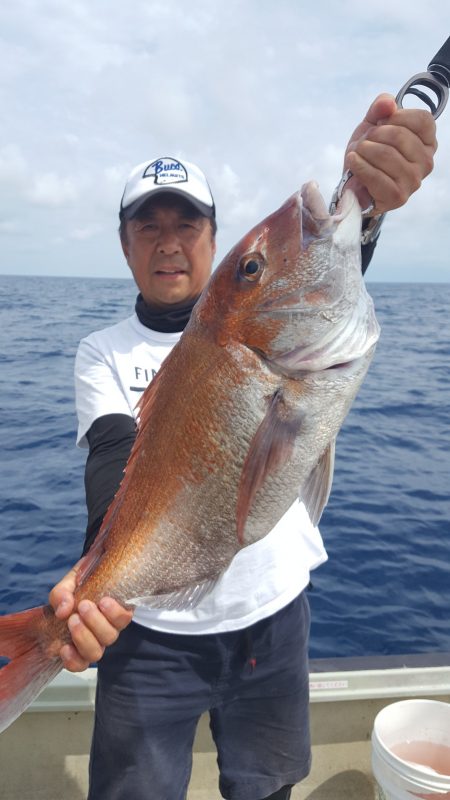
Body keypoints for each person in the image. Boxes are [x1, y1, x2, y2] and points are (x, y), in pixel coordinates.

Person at [49, 94, 437, 800]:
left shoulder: (275, 335)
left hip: (275, 625)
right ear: (125, 242)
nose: (169, 242)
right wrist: (96, 581)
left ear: (211, 236)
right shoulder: (100, 352)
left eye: (187, 225)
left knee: (267, 789)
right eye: (149, 226)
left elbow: (320, 279)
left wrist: (368, 199)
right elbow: (113, 460)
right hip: (148, 640)